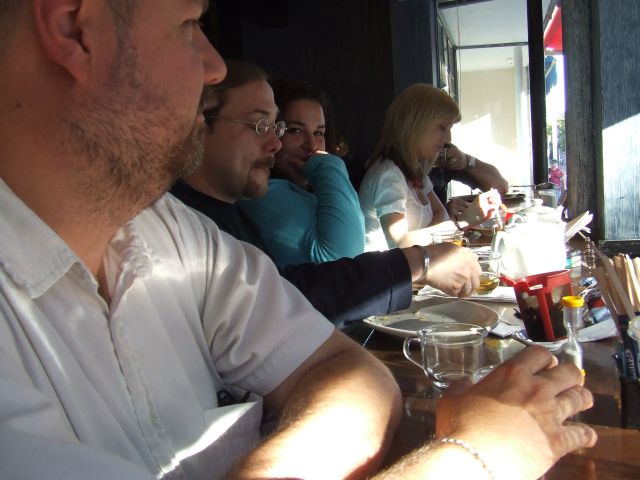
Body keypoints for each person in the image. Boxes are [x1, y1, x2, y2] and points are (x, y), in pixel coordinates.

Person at [0, 2, 597, 479]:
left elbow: (349, 373)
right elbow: (336, 268)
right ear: (75, 28)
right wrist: (475, 458)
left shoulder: (166, 230)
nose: (213, 66)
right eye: (189, 23)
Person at [172, 61, 483, 328]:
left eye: (276, 128)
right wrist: (420, 263)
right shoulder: (198, 222)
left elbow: (280, 293)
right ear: (198, 125)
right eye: (259, 125)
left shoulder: (230, 212)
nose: (275, 144)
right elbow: (289, 295)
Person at [236, 77, 365, 267]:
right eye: (295, 130)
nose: (311, 145)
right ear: (271, 132)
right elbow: (344, 260)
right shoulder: (262, 195)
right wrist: (330, 167)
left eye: (319, 133)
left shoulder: (303, 190)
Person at [359, 84, 501, 251]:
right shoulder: (387, 175)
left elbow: (441, 214)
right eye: (442, 127)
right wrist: (463, 221)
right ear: (415, 124)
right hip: (388, 268)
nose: (448, 138)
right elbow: (399, 244)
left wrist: (440, 229)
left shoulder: (415, 172)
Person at [430, 143, 510, 218]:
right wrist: (444, 211)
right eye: (442, 128)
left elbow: (500, 186)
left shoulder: (442, 151)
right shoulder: (421, 167)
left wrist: (467, 161)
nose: (448, 137)